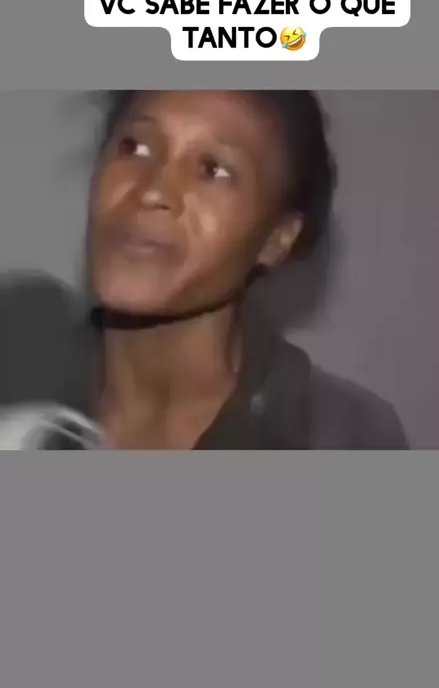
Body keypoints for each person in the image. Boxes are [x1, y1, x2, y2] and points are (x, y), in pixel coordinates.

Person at [80, 89, 408, 449]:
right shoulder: (34, 370)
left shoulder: (345, 440)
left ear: (276, 239)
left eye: (213, 170)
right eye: (135, 147)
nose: (152, 192)